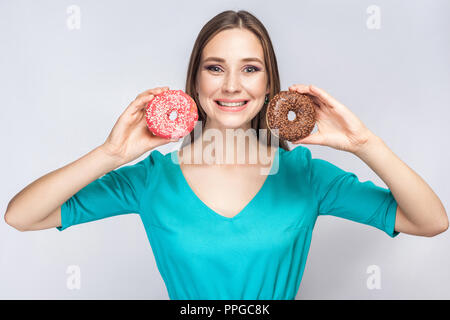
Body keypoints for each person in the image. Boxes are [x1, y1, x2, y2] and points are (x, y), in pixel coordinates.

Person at [4, 10, 448, 300]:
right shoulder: (152, 177)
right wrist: (110, 153)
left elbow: (430, 221)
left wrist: (364, 144)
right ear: (195, 81)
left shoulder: (306, 175)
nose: (232, 86)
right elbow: (23, 215)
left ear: (269, 83)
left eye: (250, 69)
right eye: (215, 68)